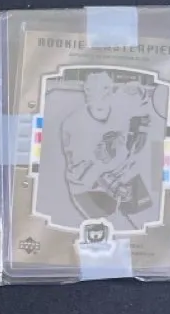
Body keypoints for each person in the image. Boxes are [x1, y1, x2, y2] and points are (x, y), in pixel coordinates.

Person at [61, 71, 153, 224]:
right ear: (86, 91)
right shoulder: (73, 124)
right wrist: (114, 187)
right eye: (92, 89)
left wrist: (142, 126)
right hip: (87, 187)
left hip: (121, 172)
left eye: (105, 88)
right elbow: (82, 171)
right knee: (106, 227)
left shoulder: (120, 106)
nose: (99, 95)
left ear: (111, 89)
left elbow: (140, 99)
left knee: (143, 219)